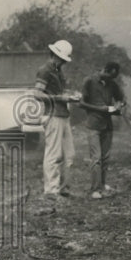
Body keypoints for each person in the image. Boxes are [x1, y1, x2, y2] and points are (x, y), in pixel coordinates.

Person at [34, 39, 78, 200]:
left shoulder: (58, 71)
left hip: (63, 115)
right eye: (61, 58)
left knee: (69, 154)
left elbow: (61, 92)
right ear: (54, 55)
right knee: (53, 154)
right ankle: (51, 191)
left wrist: (71, 95)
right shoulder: (45, 70)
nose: (63, 62)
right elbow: (37, 94)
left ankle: (63, 188)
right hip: (52, 114)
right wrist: (59, 98)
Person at [80, 61, 126, 200]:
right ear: (105, 69)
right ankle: (95, 189)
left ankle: (102, 185)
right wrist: (99, 108)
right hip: (93, 125)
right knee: (96, 158)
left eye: (113, 77)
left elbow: (121, 99)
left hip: (107, 125)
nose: (111, 79)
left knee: (105, 158)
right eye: (109, 75)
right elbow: (81, 103)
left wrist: (119, 105)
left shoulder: (112, 84)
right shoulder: (89, 81)